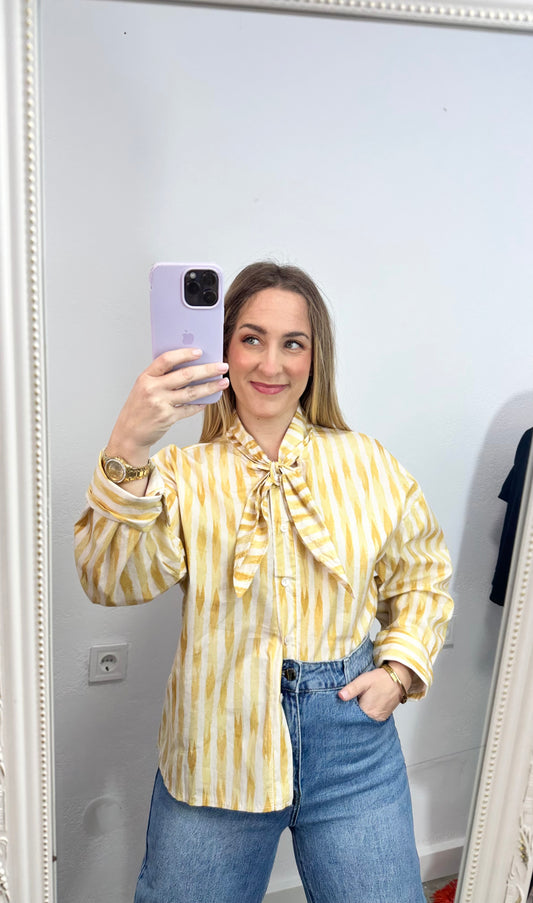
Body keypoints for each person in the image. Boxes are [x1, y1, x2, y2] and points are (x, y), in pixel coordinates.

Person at [74, 261, 453, 903]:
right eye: (251, 338)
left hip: (352, 745)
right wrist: (128, 442)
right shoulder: (180, 473)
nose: (270, 364)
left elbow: (422, 574)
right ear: (223, 347)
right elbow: (110, 580)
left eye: (292, 343)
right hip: (216, 745)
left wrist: (396, 673)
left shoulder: (368, 463)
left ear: (314, 357)